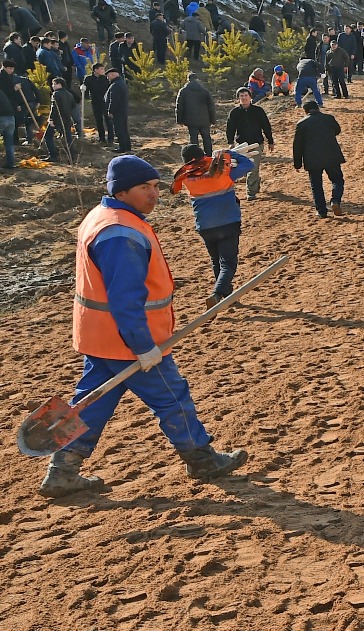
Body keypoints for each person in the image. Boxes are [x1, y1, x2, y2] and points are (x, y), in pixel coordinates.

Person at [38, 155, 248, 498]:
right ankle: (202, 460)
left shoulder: (102, 216)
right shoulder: (121, 233)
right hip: (129, 340)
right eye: (143, 188)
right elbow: (125, 298)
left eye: (155, 186)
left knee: (92, 403)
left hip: (99, 336)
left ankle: (62, 471)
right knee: (172, 397)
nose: (154, 194)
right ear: (120, 193)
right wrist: (143, 346)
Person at [172, 145, 254, 306]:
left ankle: (227, 298)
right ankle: (217, 294)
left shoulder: (187, 179)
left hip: (205, 226)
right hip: (228, 222)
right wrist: (229, 153)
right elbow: (248, 164)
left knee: (216, 261)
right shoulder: (223, 173)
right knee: (228, 264)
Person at [292, 100, 345, 218]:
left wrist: (297, 163)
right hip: (331, 155)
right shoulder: (329, 118)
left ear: (305, 111)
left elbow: (297, 145)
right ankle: (335, 201)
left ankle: (321, 211)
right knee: (337, 180)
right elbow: (337, 130)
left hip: (312, 159)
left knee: (316, 185)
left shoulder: (301, 124)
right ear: (318, 108)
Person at [225, 88, 274, 199]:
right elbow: (230, 129)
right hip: (242, 145)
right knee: (245, 168)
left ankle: (250, 192)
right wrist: (230, 142)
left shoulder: (258, 111)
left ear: (250, 97)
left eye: (245, 95)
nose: (244, 98)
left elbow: (266, 126)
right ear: (238, 98)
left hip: (257, 143)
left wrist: (270, 141)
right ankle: (255, 182)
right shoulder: (235, 112)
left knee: (253, 167)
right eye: (241, 96)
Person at [175, 72, 215, 154]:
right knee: (207, 138)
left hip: (191, 120)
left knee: (193, 139)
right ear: (197, 79)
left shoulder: (183, 91)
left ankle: (196, 157)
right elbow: (211, 106)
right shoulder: (204, 91)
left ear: (188, 80)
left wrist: (179, 120)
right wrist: (212, 120)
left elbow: (179, 106)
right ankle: (209, 156)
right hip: (204, 120)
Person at [104, 66, 131, 152]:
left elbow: (114, 99)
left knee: (119, 129)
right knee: (124, 129)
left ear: (112, 75)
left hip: (118, 111)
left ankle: (122, 147)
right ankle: (127, 147)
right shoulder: (121, 83)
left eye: (108, 76)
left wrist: (110, 111)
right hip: (122, 110)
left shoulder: (115, 85)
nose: (107, 78)